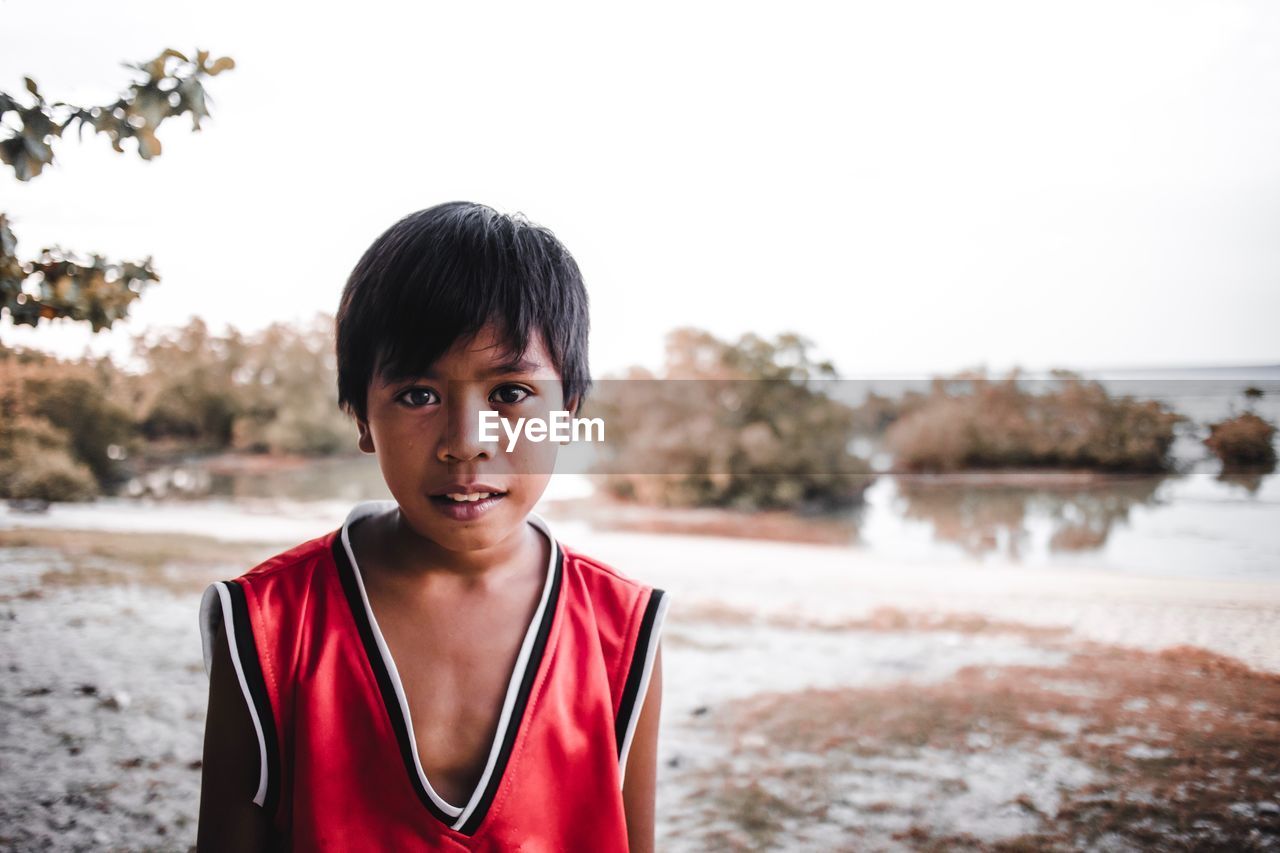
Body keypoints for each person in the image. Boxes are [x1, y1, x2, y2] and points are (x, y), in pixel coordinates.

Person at [195, 202, 670, 851]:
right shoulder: (268, 623)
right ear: (363, 417)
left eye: (510, 392)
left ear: (568, 412)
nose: (465, 442)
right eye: (418, 394)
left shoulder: (624, 631)